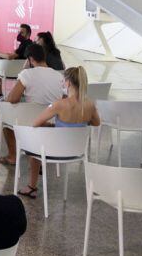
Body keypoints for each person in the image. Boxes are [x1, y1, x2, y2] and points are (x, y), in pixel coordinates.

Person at [0, 43, 63, 165]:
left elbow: (13, 99)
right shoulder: (59, 76)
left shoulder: (27, 74)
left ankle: (12, 156)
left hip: (32, 121)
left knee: (5, 109)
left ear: (30, 59)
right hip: (52, 122)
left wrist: (24, 72)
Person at [17, 66, 100, 198]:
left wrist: (52, 125)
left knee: (33, 147)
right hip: (77, 152)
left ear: (68, 83)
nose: (62, 83)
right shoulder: (90, 105)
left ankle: (32, 186)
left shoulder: (59, 104)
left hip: (55, 151)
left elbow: (35, 123)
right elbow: (96, 123)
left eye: (63, 80)